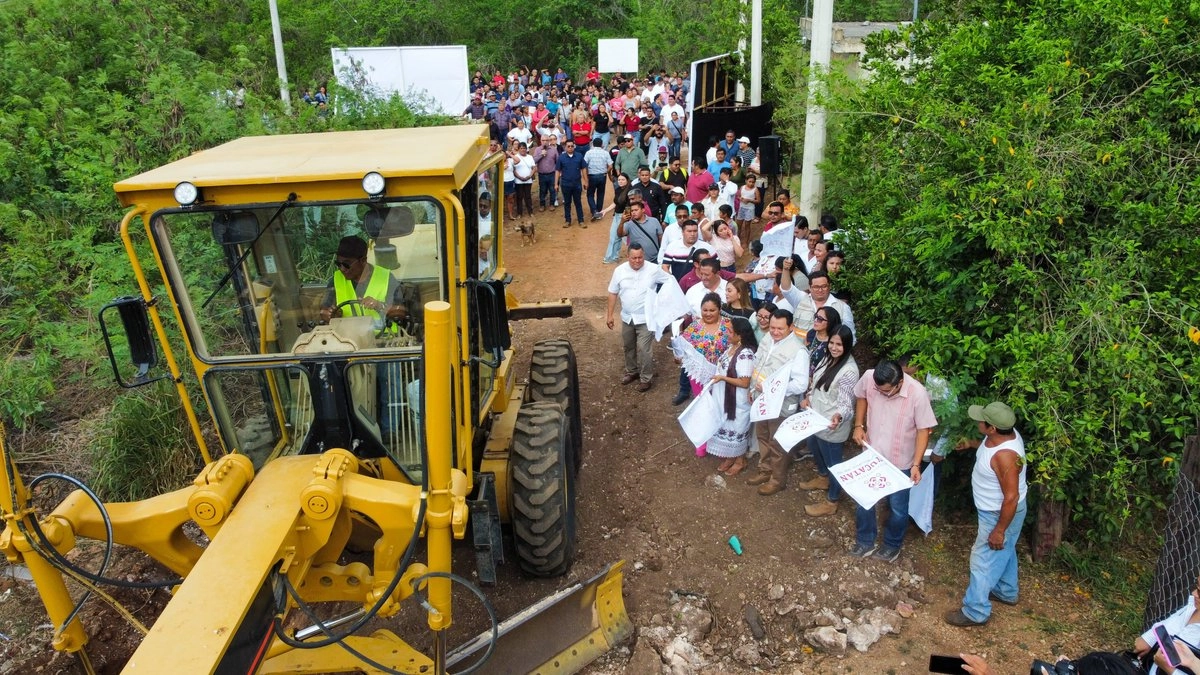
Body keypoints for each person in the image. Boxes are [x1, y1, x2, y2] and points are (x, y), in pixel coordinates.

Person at [944, 401, 1028, 627]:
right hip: (997, 510)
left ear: (991, 428)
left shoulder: (1005, 456)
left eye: (982, 420)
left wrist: (999, 530)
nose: (978, 421)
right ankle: (1006, 591)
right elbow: (988, 447)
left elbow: (1011, 497)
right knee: (1006, 550)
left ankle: (975, 610)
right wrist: (971, 443)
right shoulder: (1003, 434)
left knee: (982, 559)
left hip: (999, 513)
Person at [849, 359, 938, 562]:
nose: (882, 394)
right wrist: (858, 425)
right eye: (879, 391)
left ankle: (892, 545)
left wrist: (916, 464)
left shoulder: (917, 393)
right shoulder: (869, 378)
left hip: (901, 461)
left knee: (898, 508)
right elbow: (861, 396)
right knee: (864, 499)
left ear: (899, 382)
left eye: (887, 391)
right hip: (872, 454)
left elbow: (923, 429)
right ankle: (865, 541)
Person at [747, 309, 810, 496]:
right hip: (761, 401)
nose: (774, 331)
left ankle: (777, 479)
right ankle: (765, 470)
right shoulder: (767, 339)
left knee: (778, 443)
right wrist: (753, 389)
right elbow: (758, 365)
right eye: (772, 327)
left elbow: (800, 384)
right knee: (763, 436)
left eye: (779, 328)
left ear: (790, 327)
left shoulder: (799, 351)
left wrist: (771, 387)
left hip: (781, 406)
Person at [798, 325, 859, 516]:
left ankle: (832, 501)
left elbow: (847, 403)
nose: (834, 347)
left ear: (847, 346)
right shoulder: (827, 358)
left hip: (832, 425)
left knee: (835, 465)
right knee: (813, 445)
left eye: (839, 344)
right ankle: (823, 477)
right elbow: (815, 382)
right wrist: (808, 396)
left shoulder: (849, 371)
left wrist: (838, 416)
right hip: (816, 418)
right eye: (831, 342)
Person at [606, 243, 677, 392]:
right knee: (628, 346)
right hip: (627, 318)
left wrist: (661, 301)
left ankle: (646, 378)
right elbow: (613, 292)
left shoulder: (653, 269)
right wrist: (610, 315)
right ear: (628, 257)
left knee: (645, 350)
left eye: (640, 257)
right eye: (634, 258)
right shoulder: (619, 271)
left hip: (645, 318)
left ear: (643, 255)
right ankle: (631, 371)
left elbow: (670, 281)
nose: (637, 261)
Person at [706, 318, 757, 476]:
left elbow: (744, 382)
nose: (726, 334)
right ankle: (730, 456)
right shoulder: (731, 347)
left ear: (739, 335)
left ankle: (740, 460)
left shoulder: (745, 354)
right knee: (726, 425)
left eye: (729, 331)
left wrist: (723, 378)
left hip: (737, 401)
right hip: (724, 397)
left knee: (737, 428)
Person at [320, 236, 408, 325]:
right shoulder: (336, 280)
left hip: (384, 337)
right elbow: (324, 311)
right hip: (345, 337)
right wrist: (332, 315)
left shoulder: (386, 278)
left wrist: (379, 305)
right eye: (338, 264)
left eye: (346, 264)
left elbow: (400, 313)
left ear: (363, 260)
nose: (342, 269)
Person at [1137, 571, 1200, 674]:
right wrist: (1148, 639)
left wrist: (1171, 671)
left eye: (1199, 592)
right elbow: (1170, 623)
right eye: (1196, 584)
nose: (1193, 593)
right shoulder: (1193, 605)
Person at [679, 292, 733, 399]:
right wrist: (678, 357)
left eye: (712, 310)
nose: (708, 314)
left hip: (723, 373)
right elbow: (682, 351)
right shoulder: (693, 327)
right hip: (699, 374)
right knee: (704, 403)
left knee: (721, 402)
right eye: (705, 310)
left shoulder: (728, 324)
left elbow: (736, 345)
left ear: (719, 309)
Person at [601, 174, 634, 264]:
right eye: (619, 180)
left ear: (627, 180)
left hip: (623, 217)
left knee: (618, 237)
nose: (620, 181)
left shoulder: (630, 191)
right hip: (616, 215)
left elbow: (628, 206)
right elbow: (616, 203)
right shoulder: (618, 190)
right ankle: (613, 257)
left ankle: (610, 257)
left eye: (623, 180)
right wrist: (605, 210)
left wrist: (624, 218)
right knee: (614, 237)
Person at [556, 140, 587, 227]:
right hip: (565, 184)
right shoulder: (561, 157)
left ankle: (581, 221)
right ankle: (567, 220)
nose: (570, 148)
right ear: (565, 147)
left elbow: (584, 169)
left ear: (574, 146)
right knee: (567, 203)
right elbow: (557, 171)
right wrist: (556, 184)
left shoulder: (579, 156)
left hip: (577, 184)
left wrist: (586, 181)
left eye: (571, 146)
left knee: (578, 202)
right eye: (568, 146)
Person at [804, 306, 842, 376]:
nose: (815, 320)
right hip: (803, 374)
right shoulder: (811, 333)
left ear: (830, 322)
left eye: (820, 319)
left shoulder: (833, 342)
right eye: (816, 316)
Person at [584, 138, 613, 222]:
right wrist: (605, 172)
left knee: (590, 194)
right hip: (602, 176)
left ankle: (594, 210)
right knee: (600, 194)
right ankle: (599, 212)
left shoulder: (588, 153)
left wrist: (586, 177)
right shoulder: (605, 153)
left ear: (593, 144)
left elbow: (584, 165)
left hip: (592, 176)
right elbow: (610, 166)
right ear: (601, 144)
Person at [511, 142, 536, 224]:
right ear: (518, 149)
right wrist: (519, 177)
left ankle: (530, 212)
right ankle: (519, 213)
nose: (523, 150)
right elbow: (513, 170)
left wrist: (529, 176)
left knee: (528, 196)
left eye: (524, 148)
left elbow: (534, 168)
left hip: (528, 180)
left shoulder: (530, 157)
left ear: (526, 149)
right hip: (519, 181)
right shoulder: (516, 157)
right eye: (521, 148)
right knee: (519, 197)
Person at [533, 136, 559, 212]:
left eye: (546, 140)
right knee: (542, 190)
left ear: (549, 141)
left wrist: (559, 172)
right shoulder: (537, 150)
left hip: (552, 173)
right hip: (542, 174)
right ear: (540, 141)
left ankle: (552, 204)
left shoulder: (553, 150)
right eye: (543, 140)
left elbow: (557, 161)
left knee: (552, 190)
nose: (545, 142)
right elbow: (534, 160)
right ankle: (542, 205)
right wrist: (541, 154)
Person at [736, 174, 761, 247]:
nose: (751, 183)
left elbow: (759, 201)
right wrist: (740, 199)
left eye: (753, 182)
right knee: (739, 225)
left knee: (747, 225)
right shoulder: (742, 187)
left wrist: (749, 200)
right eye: (749, 181)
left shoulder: (755, 189)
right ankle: (737, 239)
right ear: (746, 181)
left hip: (750, 209)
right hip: (741, 208)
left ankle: (745, 242)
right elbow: (738, 195)